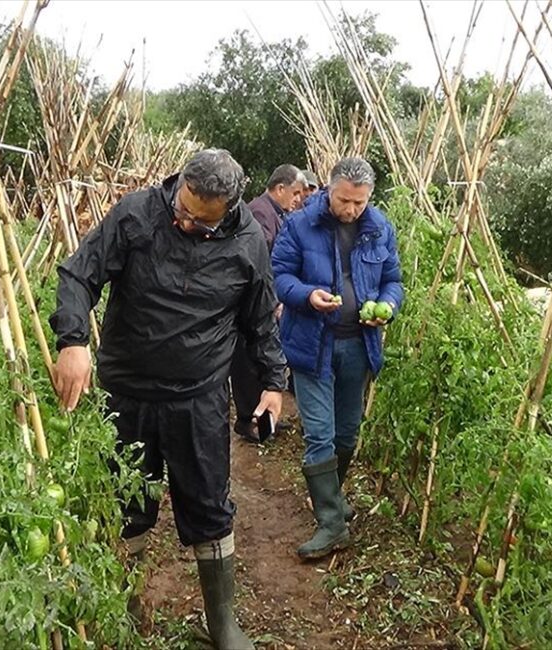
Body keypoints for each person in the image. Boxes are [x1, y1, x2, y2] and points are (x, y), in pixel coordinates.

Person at [49, 149, 286, 650]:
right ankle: (124, 605)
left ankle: (222, 623)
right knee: (122, 504)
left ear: (227, 210)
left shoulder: (248, 243)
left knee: (208, 505)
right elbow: (78, 274)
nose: (184, 221)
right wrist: (72, 341)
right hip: (125, 392)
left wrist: (272, 382)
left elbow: (259, 319)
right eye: (181, 208)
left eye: (199, 222)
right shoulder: (137, 214)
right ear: (180, 186)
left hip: (197, 399)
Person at [270, 157, 403, 560]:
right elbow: (280, 277)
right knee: (320, 434)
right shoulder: (300, 224)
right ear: (329, 190)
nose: (351, 210)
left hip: (359, 345)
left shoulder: (379, 228)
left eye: (359, 203)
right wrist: (307, 296)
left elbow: (393, 281)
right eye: (345, 200)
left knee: (347, 431)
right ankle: (331, 522)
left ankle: (331, 496)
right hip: (313, 343)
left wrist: (385, 304)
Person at [230, 164, 305, 442]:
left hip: (261, 298)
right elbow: (260, 261)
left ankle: (264, 419)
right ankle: (247, 420)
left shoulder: (276, 213)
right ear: (280, 188)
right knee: (248, 362)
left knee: (261, 360)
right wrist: (271, 298)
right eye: (295, 193)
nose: (298, 199)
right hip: (251, 300)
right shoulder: (261, 212)